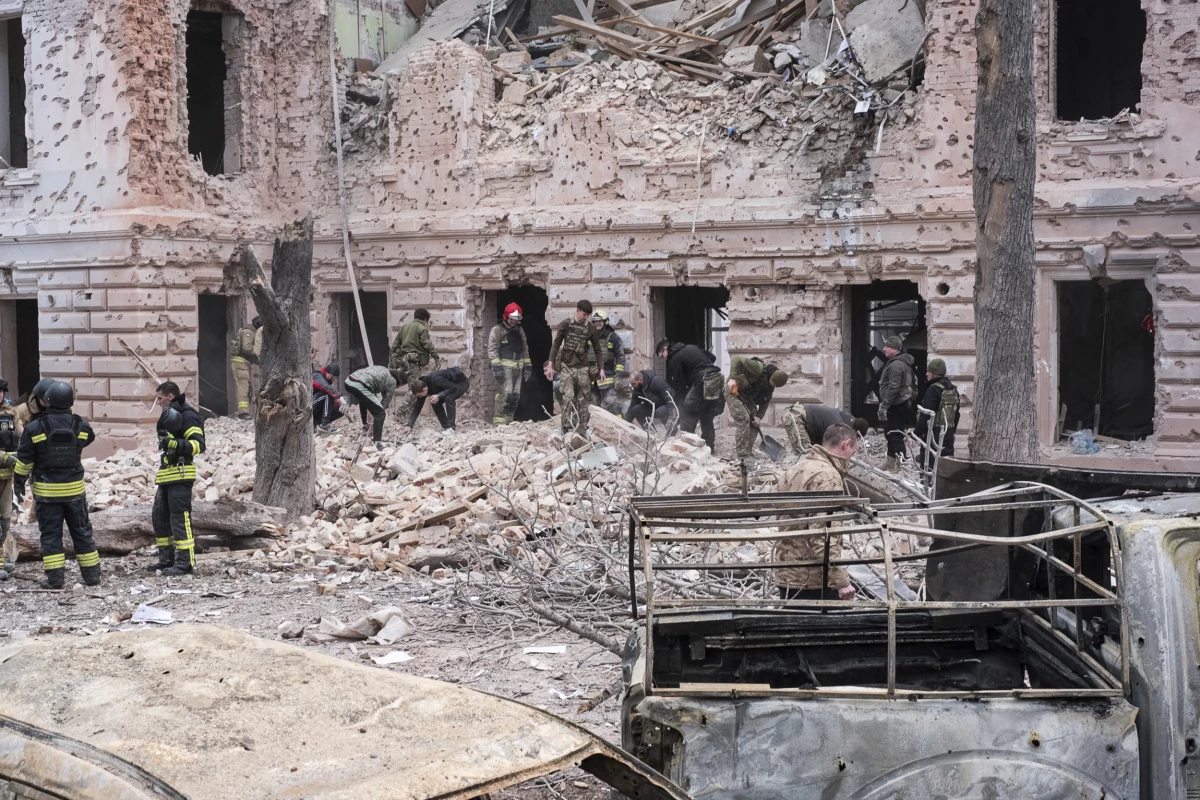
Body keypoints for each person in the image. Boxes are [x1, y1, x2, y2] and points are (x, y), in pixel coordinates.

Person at [12, 381, 100, 589]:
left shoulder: (34, 428)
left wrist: (18, 483)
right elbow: (89, 438)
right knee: (82, 533)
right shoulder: (80, 425)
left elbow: (24, 462)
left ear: (47, 401)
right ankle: (92, 576)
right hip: (75, 492)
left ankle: (55, 580)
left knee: (51, 536)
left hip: (47, 494)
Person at [775, 423, 858, 602]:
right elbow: (824, 535)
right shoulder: (828, 476)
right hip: (814, 581)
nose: (851, 460)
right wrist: (840, 581)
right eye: (853, 453)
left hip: (786, 575)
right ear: (845, 444)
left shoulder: (795, 469)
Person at [149, 382, 206, 575]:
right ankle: (166, 559)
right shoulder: (169, 414)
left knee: (180, 519)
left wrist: (175, 444)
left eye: (160, 398)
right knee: (159, 517)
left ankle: (185, 562)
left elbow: (198, 445)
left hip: (181, 474)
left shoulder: (188, 415)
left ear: (170, 396)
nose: (158, 402)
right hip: (166, 473)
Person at [548, 300, 605, 436]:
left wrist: (601, 368)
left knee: (583, 399)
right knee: (568, 397)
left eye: (588, 315)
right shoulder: (565, 324)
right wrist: (550, 364)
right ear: (577, 310)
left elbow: (597, 350)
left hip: (583, 368)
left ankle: (582, 428)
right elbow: (556, 344)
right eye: (584, 314)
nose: (586, 317)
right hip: (567, 367)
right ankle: (566, 427)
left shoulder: (590, 328)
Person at [658, 339, 725, 454]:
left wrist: (678, 406)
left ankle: (685, 447)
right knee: (706, 415)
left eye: (661, 356)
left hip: (702, 381)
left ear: (665, 349)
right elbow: (712, 357)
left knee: (688, 413)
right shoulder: (691, 347)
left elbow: (679, 386)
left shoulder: (674, 358)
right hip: (715, 379)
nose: (663, 359)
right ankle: (709, 448)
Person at [725, 356, 789, 463]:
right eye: (773, 383)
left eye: (776, 385)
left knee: (754, 421)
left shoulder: (770, 386)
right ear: (771, 378)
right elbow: (737, 358)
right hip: (732, 390)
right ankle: (742, 455)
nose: (774, 386)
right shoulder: (757, 368)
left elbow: (766, 401)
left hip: (745, 394)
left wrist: (759, 417)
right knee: (744, 418)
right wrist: (732, 378)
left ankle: (748, 451)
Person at [877, 335, 916, 471]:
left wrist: (884, 406)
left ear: (894, 348)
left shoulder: (897, 365)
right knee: (890, 432)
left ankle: (902, 465)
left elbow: (894, 387)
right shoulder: (897, 362)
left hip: (897, 404)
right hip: (898, 404)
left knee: (895, 434)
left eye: (887, 346)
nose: (884, 349)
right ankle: (890, 462)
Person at [488, 303, 530, 426]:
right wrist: (497, 368)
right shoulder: (497, 330)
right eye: (512, 319)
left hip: (518, 367)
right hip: (504, 368)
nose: (513, 322)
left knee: (515, 397)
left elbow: (525, 348)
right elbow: (492, 350)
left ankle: (509, 421)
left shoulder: (520, 330)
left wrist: (528, 366)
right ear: (506, 317)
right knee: (505, 395)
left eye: (516, 319)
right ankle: (499, 424)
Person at [345, 366, 405, 450]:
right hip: (359, 385)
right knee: (380, 413)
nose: (398, 388)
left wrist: (372, 410)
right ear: (401, 382)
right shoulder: (393, 382)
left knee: (364, 401)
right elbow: (384, 403)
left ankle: (366, 427)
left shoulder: (384, 371)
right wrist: (375, 417)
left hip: (349, 381)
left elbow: (371, 394)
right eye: (400, 386)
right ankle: (377, 442)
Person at [914, 357, 960, 465]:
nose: (926, 374)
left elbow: (926, 415)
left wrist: (915, 434)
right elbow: (956, 415)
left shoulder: (933, 389)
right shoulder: (953, 389)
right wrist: (952, 431)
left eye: (928, 372)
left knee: (930, 467)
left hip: (933, 436)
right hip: (948, 434)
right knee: (946, 467)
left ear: (934, 374)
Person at [783, 403, 869, 456]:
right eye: (856, 436)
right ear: (856, 430)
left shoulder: (845, 418)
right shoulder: (840, 426)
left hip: (798, 414)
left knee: (811, 453)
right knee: (806, 455)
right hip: (797, 418)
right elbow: (831, 449)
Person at [406, 367, 470, 433]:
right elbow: (417, 408)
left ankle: (451, 428)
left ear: (424, 389)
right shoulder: (423, 386)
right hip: (449, 387)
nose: (420, 397)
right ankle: (446, 426)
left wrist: (439, 395)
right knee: (434, 401)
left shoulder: (436, 380)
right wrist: (409, 425)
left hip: (461, 383)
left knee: (449, 398)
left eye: (419, 395)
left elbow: (453, 388)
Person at [590, 310, 628, 415]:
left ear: (605, 322)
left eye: (600, 321)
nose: (597, 324)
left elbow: (620, 357)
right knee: (592, 407)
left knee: (613, 404)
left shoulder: (613, 337)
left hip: (608, 377)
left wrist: (618, 376)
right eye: (595, 321)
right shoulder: (589, 337)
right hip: (592, 380)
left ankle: (620, 427)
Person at [230, 317, 262, 420]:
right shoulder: (249, 332)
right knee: (243, 386)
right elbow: (247, 348)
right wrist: (257, 352)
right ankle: (243, 413)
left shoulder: (250, 332)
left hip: (244, 362)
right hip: (240, 362)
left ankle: (247, 412)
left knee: (247, 387)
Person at [0, 378, 15, 581]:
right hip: (6, 465)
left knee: (4, 520)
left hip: (6, 476)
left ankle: (2, 561)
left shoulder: (9, 414)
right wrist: (6, 457)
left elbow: (20, 434)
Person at [312, 363, 344, 432]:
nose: (334, 380)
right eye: (334, 378)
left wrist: (340, 404)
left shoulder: (323, 378)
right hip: (308, 406)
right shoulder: (317, 375)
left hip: (315, 406)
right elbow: (326, 387)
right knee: (328, 394)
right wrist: (340, 397)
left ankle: (317, 426)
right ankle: (325, 425)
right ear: (330, 375)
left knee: (339, 409)